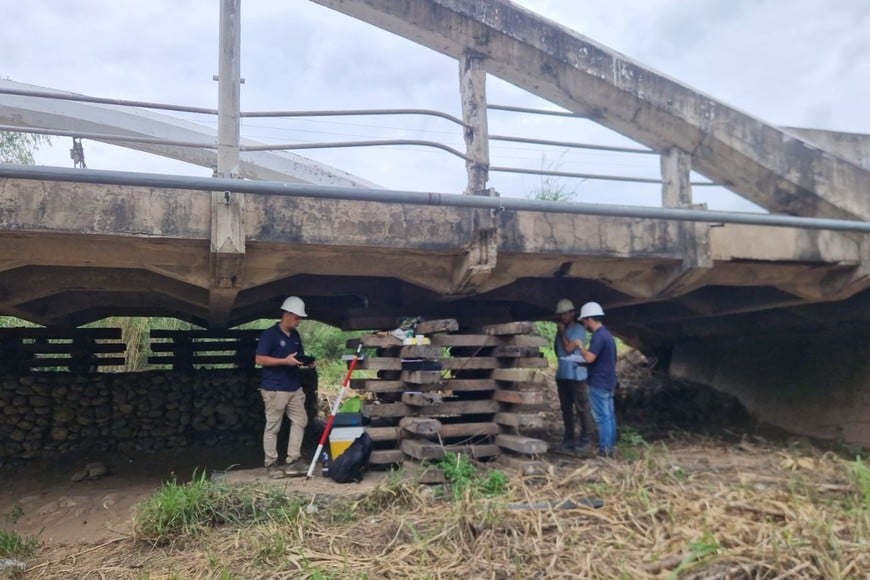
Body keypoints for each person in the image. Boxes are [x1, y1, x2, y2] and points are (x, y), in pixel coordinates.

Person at [255, 296, 313, 478]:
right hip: (274, 388)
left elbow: (298, 358)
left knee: (300, 420)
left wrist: (306, 363)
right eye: (296, 318)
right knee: (273, 427)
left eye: (300, 319)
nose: (298, 322)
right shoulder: (269, 335)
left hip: (293, 387)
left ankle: (293, 460)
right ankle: (271, 463)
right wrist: (284, 361)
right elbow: (259, 359)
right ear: (286, 314)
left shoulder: (295, 336)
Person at [576, 301, 618, 458]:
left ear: (588, 320)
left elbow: (590, 358)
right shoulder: (608, 335)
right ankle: (611, 448)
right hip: (609, 382)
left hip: (598, 383)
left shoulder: (598, 337)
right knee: (609, 416)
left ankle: (604, 450)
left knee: (601, 419)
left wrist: (581, 347)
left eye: (584, 321)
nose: (584, 324)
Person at [553, 298, 594, 453]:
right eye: (561, 314)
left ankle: (586, 440)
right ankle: (568, 440)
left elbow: (569, 348)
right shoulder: (560, 331)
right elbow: (557, 350)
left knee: (582, 408)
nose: (563, 317)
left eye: (566, 313)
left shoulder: (578, 329)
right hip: (563, 374)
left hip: (576, 375)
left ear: (572, 313)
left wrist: (562, 332)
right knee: (566, 409)